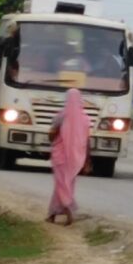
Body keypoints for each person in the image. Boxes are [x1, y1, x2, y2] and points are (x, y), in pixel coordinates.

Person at [46, 89, 90, 226]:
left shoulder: (61, 116)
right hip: (76, 157)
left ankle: (68, 207)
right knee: (67, 184)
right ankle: (52, 214)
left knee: (60, 184)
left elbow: (52, 136)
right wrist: (87, 160)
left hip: (60, 155)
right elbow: (87, 141)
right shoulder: (85, 119)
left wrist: (55, 134)